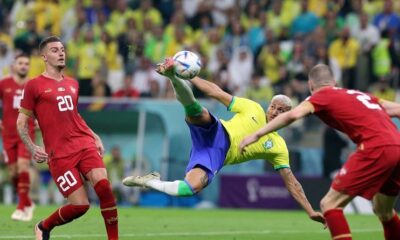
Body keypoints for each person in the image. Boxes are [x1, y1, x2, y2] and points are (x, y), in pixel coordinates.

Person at [123, 58, 325, 226]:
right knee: (195, 110)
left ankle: (149, 181)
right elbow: (215, 92)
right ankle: (172, 76)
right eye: (274, 107)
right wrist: (192, 76)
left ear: (289, 117)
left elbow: (292, 183)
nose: (275, 112)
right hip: (218, 132)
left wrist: (309, 210)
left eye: (282, 111)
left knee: (188, 189)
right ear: (268, 107)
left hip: (214, 156)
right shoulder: (253, 108)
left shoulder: (279, 147)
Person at [240, 64, 400, 240]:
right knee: (383, 210)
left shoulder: (321, 96)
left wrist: (256, 134)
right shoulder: (362, 96)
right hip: (397, 145)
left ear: (310, 85)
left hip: (376, 146)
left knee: (329, 204)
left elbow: (293, 115)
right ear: (334, 82)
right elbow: (397, 109)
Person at [16, 36, 118, 240]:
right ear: (44, 56)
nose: (61, 52)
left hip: (84, 144)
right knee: (80, 206)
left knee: (104, 187)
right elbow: (21, 122)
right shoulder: (34, 85)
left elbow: (74, 115)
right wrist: (32, 146)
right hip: (60, 154)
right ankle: (44, 226)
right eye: (55, 50)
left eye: (62, 49)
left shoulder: (73, 83)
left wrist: (94, 135)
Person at [0, 53, 35, 221]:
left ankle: (21, 207)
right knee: (13, 172)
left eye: (26, 63)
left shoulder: (33, 85)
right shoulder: (3, 83)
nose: (23, 66)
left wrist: (41, 121)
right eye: (20, 63)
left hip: (26, 133)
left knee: (23, 166)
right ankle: (27, 201)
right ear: (14, 66)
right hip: (7, 134)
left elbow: (42, 106)